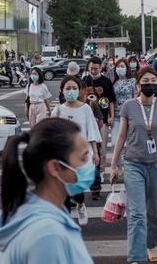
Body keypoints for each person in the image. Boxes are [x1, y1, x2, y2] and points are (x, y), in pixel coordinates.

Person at [0, 118, 94, 264]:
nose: (89, 164)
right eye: (83, 158)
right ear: (55, 168)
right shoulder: (47, 234)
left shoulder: (40, 212)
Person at [110, 66, 157, 263]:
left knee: (153, 212)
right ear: (138, 85)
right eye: (145, 82)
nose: (149, 85)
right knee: (137, 213)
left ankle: (151, 244)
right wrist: (114, 164)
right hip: (133, 163)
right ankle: (136, 256)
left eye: (153, 81)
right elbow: (121, 136)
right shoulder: (129, 105)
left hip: (156, 163)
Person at [52, 76, 101, 227]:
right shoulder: (58, 110)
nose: (71, 91)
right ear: (62, 91)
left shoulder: (85, 108)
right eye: (68, 88)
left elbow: (91, 130)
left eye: (74, 88)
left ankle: (80, 204)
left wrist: (95, 152)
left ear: (79, 90)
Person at [83, 56, 115, 198]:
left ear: (101, 68)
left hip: (102, 118)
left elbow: (112, 100)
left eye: (96, 68)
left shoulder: (106, 82)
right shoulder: (84, 81)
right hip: (86, 120)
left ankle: (101, 171)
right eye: (91, 68)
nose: (94, 70)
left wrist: (111, 116)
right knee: (88, 149)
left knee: (101, 148)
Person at [112, 58, 136, 157]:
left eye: (122, 66)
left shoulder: (132, 81)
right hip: (117, 116)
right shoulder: (114, 84)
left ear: (127, 68)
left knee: (128, 144)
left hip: (130, 116)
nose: (120, 68)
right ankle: (119, 165)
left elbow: (136, 97)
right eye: (118, 67)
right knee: (114, 142)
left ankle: (127, 166)